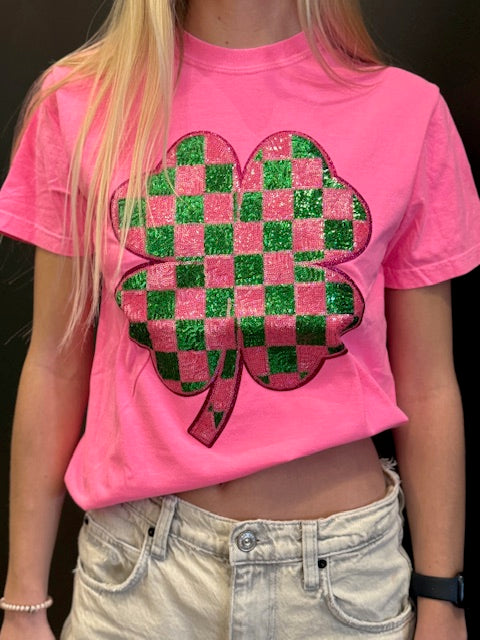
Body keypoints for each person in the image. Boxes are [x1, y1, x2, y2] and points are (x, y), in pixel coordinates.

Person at [0, 0, 478, 638]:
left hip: (343, 587)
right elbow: (56, 365)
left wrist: (443, 599)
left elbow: (429, 384)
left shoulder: (407, 111)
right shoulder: (79, 102)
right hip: (138, 584)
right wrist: (23, 603)